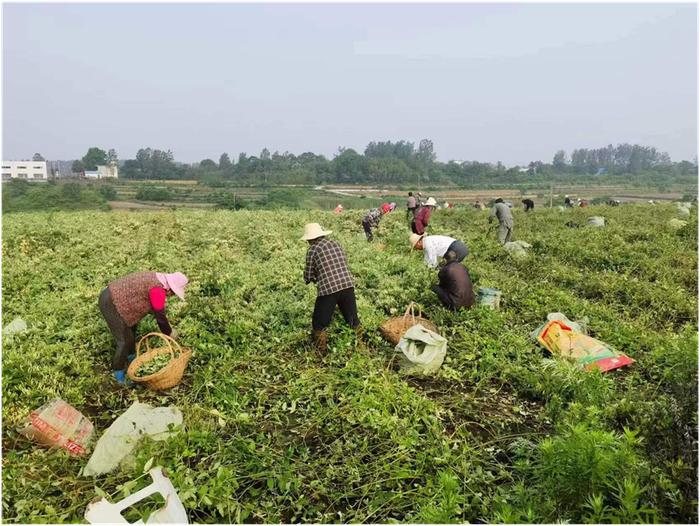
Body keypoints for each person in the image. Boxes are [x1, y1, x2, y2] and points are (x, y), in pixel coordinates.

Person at [98, 271, 189, 385]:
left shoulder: (158, 278)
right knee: (124, 341)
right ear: (170, 288)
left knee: (130, 334)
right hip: (110, 302)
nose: (172, 295)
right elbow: (160, 316)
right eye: (174, 292)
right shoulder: (158, 289)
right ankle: (119, 374)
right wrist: (169, 332)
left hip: (118, 300)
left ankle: (132, 360)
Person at [301, 223, 360, 356]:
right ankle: (361, 347)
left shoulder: (313, 250)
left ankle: (321, 354)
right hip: (347, 284)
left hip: (328, 289)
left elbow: (309, 275)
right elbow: (343, 262)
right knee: (352, 319)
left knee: (319, 322)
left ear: (310, 239)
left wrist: (310, 278)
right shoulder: (335, 243)